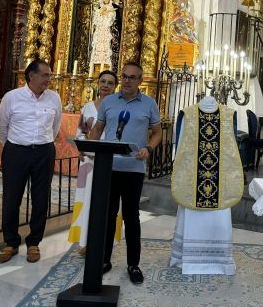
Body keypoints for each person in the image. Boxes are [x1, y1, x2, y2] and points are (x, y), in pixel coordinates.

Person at [89, 61, 162, 284]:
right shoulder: (109, 102)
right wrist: (87, 146)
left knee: (131, 217)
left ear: (140, 80)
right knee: (108, 216)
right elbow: (98, 129)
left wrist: (148, 148)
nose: (127, 81)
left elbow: (157, 132)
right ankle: (104, 259)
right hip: (109, 168)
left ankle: (133, 264)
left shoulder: (149, 103)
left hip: (133, 168)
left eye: (132, 77)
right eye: (124, 76)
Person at [0, 59, 62, 264]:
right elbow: (2, 129)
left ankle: (34, 243)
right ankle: (11, 242)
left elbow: (55, 126)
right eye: (45, 75)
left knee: (41, 198)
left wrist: (42, 144)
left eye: (49, 75)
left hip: (44, 151)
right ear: (31, 76)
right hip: (16, 151)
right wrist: (16, 147)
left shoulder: (54, 98)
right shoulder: (12, 97)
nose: (48, 79)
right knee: (11, 197)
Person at [169, 96, 244, 275]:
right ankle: (212, 261)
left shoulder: (226, 114)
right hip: (201, 182)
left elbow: (178, 148)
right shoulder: (187, 114)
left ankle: (198, 260)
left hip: (205, 181)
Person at [68, 70, 118, 252]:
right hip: (89, 161)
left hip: (111, 161)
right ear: (98, 83)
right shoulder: (88, 107)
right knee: (86, 199)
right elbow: (81, 131)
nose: (106, 85)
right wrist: (80, 148)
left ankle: (105, 242)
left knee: (107, 201)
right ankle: (84, 242)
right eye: (103, 81)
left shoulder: (118, 108)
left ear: (115, 87)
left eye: (110, 83)